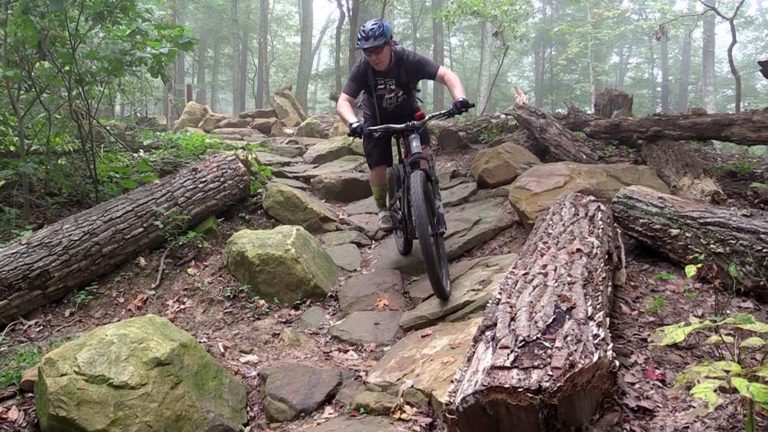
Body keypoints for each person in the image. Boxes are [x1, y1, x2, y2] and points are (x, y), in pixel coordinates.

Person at [336, 18, 472, 231]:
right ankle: (382, 208)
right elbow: (344, 101)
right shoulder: (363, 67)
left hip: (408, 114)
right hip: (376, 119)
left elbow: (446, 75)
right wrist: (353, 122)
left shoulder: (407, 59)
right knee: (379, 166)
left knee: (424, 155)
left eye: (378, 50)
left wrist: (460, 98)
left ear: (390, 43)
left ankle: (426, 196)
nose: (373, 57)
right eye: (367, 52)